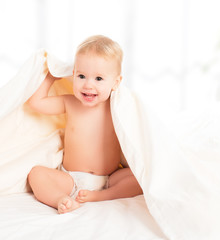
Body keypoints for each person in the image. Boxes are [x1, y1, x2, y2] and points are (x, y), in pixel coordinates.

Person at [27, 35, 143, 214]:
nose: (88, 85)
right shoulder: (70, 103)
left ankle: (104, 196)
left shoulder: (117, 107)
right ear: (73, 74)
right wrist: (51, 77)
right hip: (71, 179)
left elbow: (138, 131)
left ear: (116, 82)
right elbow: (36, 103)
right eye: (81, 76)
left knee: (143, 174)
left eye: (98, 79)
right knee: (36, 174)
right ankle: (61, 199)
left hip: (110, 178)